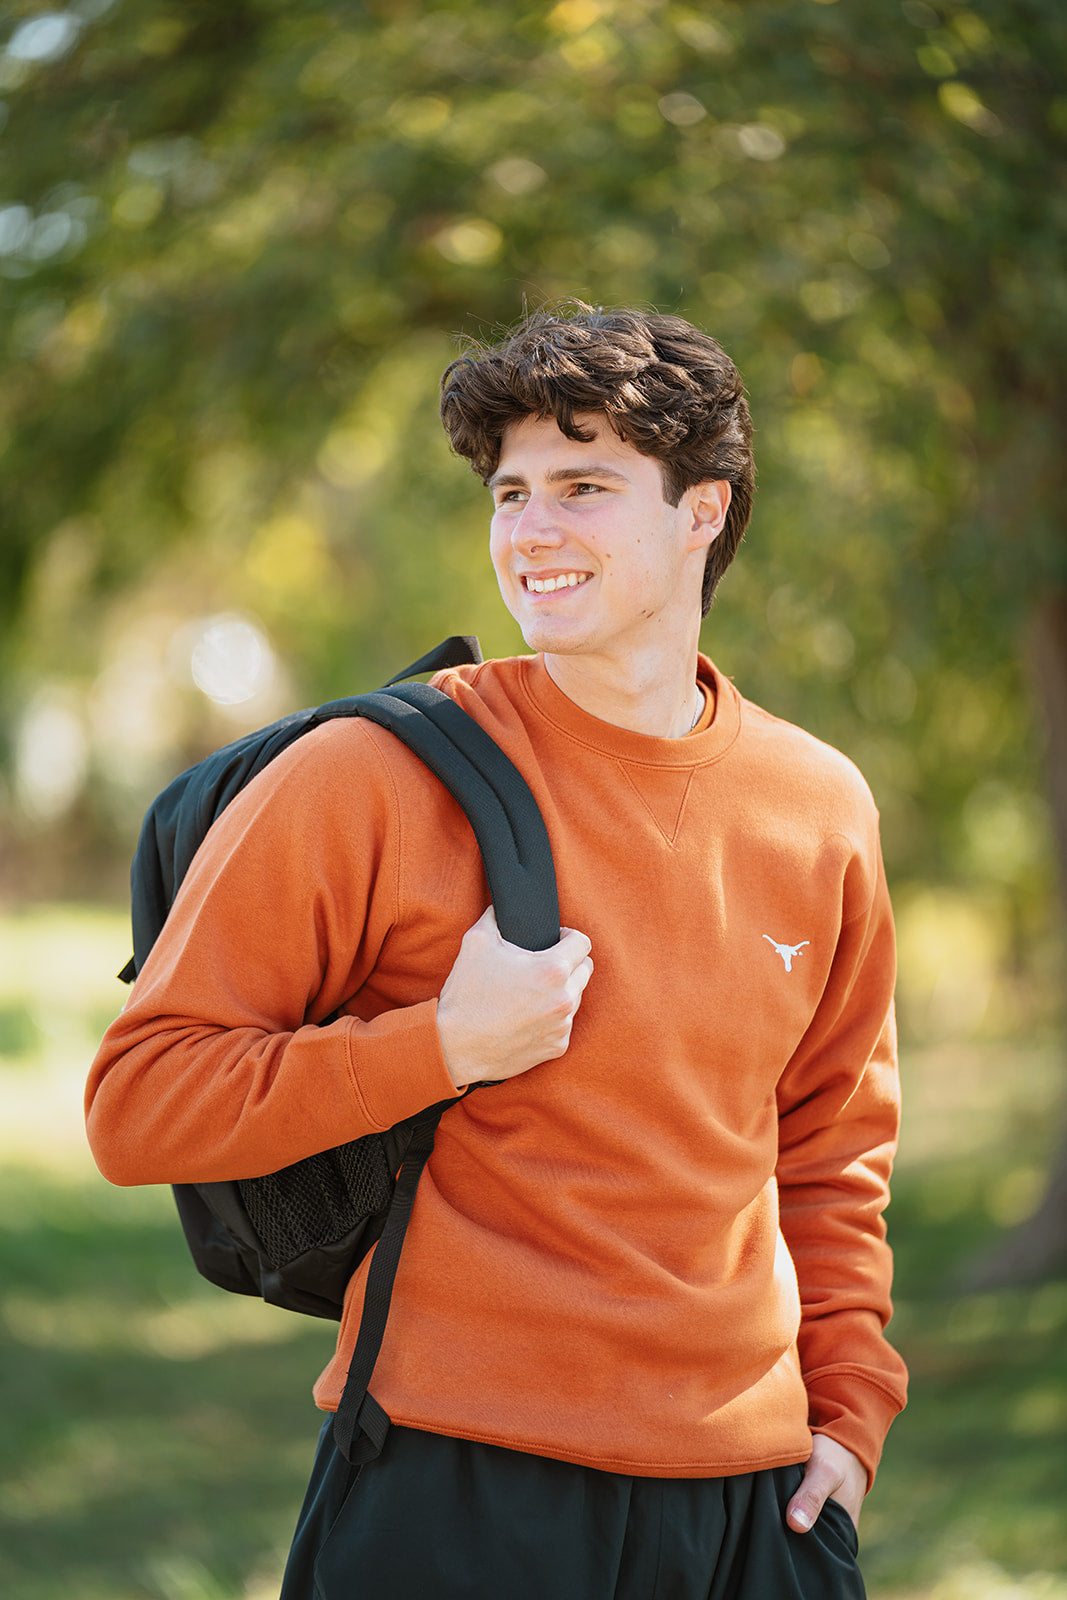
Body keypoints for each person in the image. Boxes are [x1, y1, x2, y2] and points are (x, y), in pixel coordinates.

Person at [86, 302, 906, 1599]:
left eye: (583, 487)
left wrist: (851, 1414)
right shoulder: (366, 778)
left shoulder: (820, 804)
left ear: (705, 510)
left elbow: (832, 1148)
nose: (530, 532)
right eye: (510, 491)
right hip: (456, 1490)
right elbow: (139, 1106)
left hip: (759, 1504)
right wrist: (445, 1046)